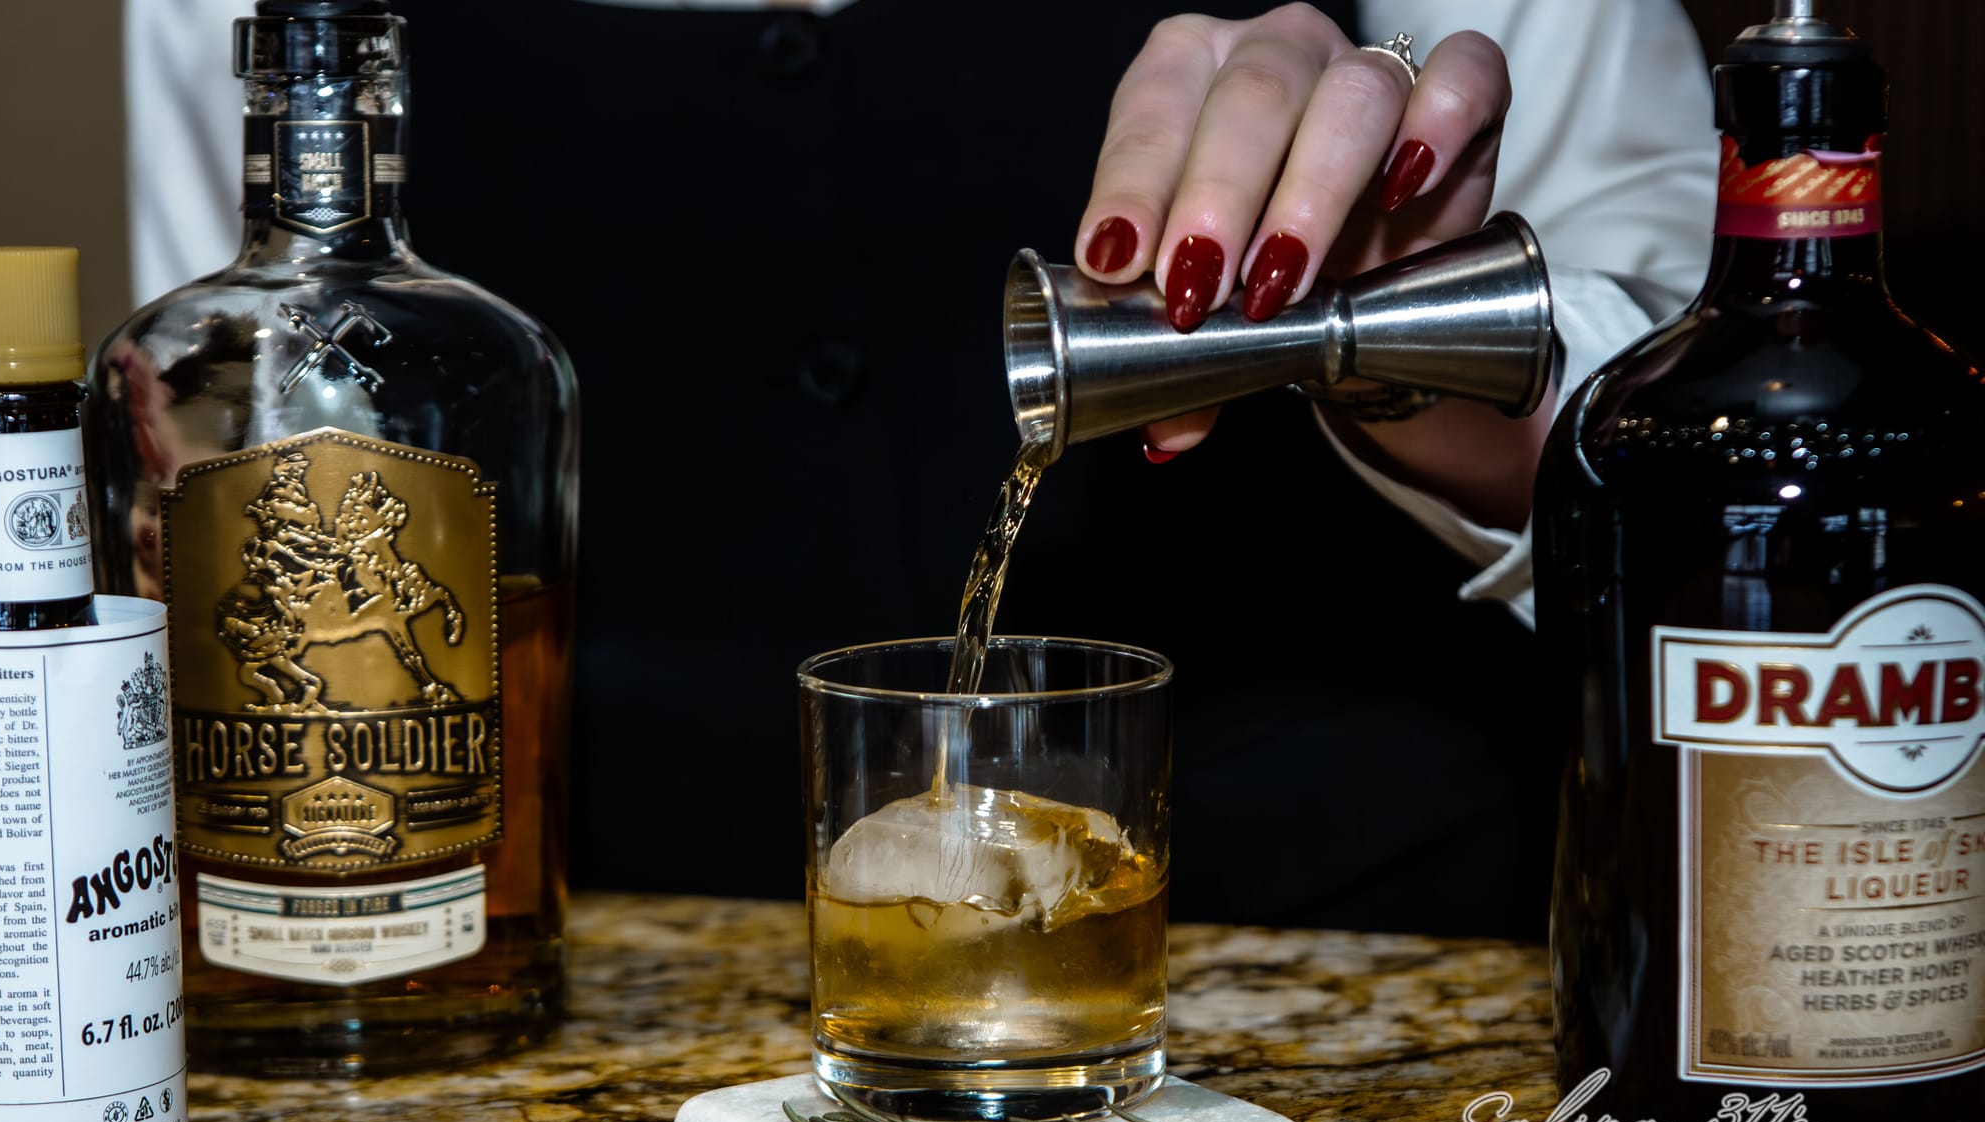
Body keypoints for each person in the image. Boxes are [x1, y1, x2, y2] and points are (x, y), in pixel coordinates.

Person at [121, 0, 1716, 937]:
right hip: (550, 979)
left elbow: (1709, 407)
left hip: (1339, 951)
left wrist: (1395, 340)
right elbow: (223, 446)